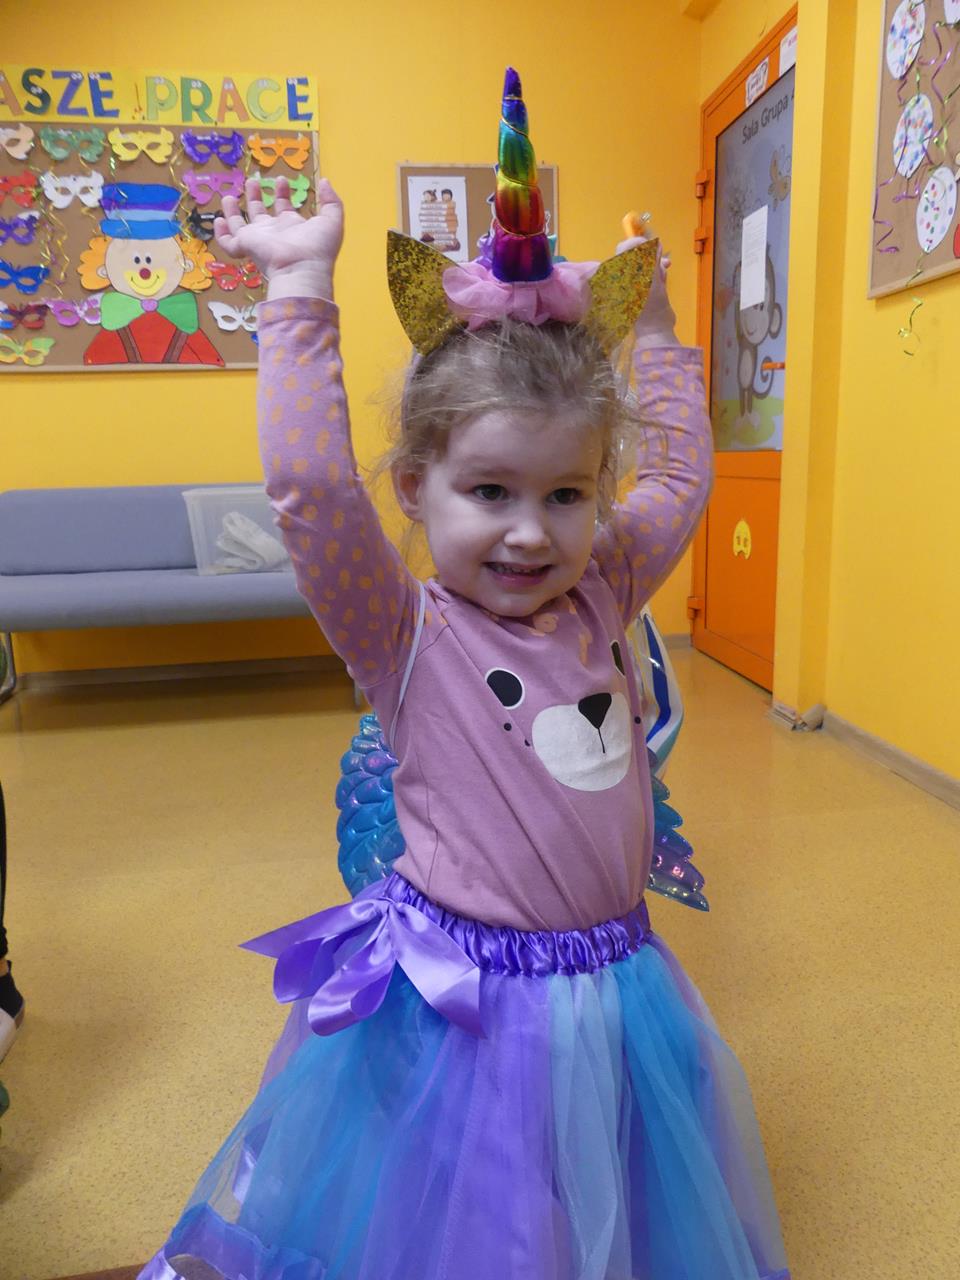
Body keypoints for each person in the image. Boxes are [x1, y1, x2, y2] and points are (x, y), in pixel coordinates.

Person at [138, 69, 790, 1280]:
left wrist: (656, 338)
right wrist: (298, 289)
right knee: (485, 1229)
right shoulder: (404, 633)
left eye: (567, 493)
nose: (531, 532)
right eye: (489, 490)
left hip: (617, 984)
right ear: (416, 487)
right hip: (467, 1005)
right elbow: (309, 489)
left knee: (604, 1199)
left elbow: (678, 476)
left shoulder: (603, 586)